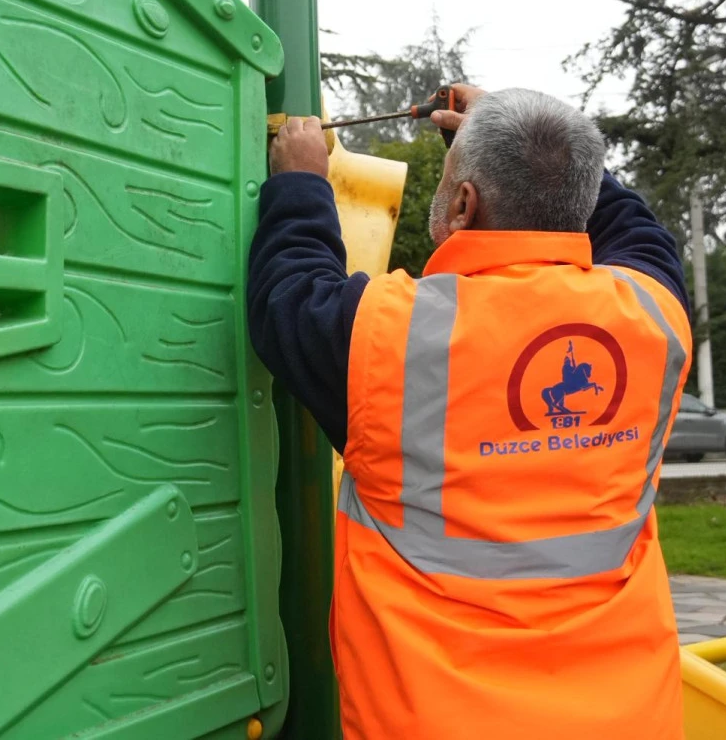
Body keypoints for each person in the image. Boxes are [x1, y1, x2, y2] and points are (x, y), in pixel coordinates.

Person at [247, 84, 692, 740]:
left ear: (462, 204)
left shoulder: (388, 338)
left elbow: (287, 290)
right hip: (633, 720)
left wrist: (302, 181)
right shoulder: (655, 314)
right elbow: (635, 228)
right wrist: (550, 152)